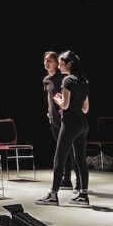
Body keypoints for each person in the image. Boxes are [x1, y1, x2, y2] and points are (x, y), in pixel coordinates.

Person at [36, 50, 90, 207]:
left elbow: (65, 105)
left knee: (59, 158)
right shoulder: (84, 81)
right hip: (82, 123)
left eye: (61, 64)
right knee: (80, 158)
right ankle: (83, 195)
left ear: (69, 65)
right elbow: (86, 109)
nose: (59, 67)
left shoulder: (68, 81)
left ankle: (53, 195)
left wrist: (59, 100)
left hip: (70, 122)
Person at [43, 51, 80, 191]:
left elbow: (70, 95)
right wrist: (48, 112)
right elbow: (49, 97)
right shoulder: (46, 79)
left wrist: (65, 108)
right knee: (63, 151)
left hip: (66, 119)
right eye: (45, 60)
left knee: (72, 150)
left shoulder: (63, 77)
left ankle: (79, 181)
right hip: (54, 120)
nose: (47, 63)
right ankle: (66, 180)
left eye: (50, 60)